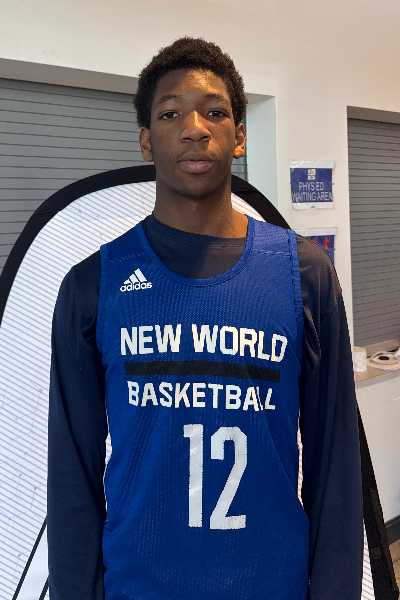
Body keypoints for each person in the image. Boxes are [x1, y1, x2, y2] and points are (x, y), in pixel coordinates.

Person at [47, 37, 363, 600]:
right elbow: (73, 475)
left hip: (272, 585)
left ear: (239, 136)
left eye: (214, 112)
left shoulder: (305, 276)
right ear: (147, 141)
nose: (194, 128)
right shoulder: (92, 286)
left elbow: (335, 464)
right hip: (138, 587)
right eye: (171, 113)